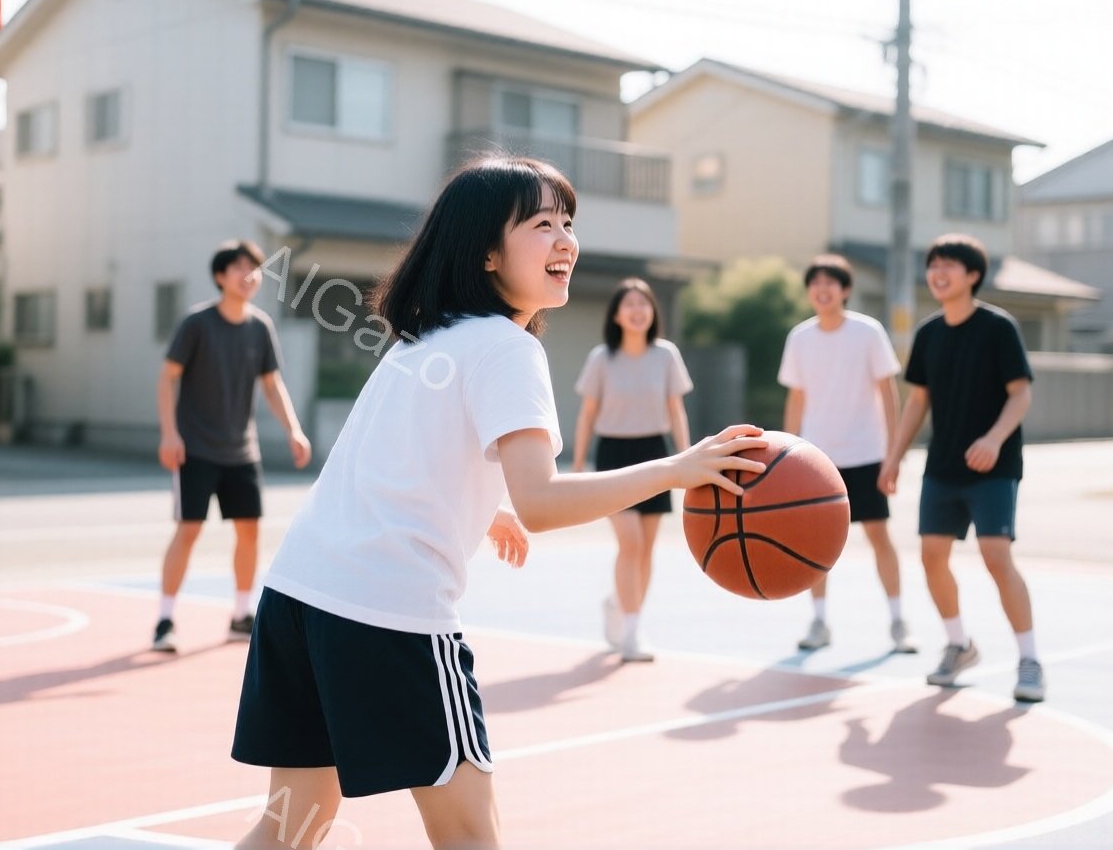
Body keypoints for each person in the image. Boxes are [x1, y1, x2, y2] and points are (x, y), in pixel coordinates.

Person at [231, 156, 767, 849]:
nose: (566, 240)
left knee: (289, 827)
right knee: (469, 839)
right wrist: (677, 467)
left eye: (568, 223)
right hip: (388, 612)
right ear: (487, 251)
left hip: (298, 597)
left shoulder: (421, 341)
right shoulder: (507, 350)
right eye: (543, 225)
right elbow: (542, 501)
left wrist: (489, 509)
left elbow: (399, 463)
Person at [878, 234, 1044, 703]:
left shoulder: (998, 328)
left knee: (996, 556)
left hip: (994, 465)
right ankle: (958, 645)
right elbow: (917, 402)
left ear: (973, 275)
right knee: (931, 557)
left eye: (948, 265)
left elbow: (1020, 394)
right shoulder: (929, 333)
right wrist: (893, 457)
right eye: (933, 266)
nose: (938, 273)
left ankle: (1029, 659)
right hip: (943, 465)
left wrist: (993, 439)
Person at [153, 239, 312, 654]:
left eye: (255, 269)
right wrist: (170, 433)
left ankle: (242, 615)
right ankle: (165, 620)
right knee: (189, 529)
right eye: (240, 268)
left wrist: (293, 429)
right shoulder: (196, 324)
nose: (249, 276)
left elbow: (272, 385)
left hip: (242, 450)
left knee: (250, 530)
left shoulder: (260, 327)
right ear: (221, 276)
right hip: (195, 448)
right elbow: (167, 378)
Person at [777, 254, 914, 655]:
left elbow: (888, 394)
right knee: (814, 545)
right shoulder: (799, 338)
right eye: (815, 283)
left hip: (867, 453)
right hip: (816, 459)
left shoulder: (868, 332)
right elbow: (796, 398)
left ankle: (898, 621)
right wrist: (785, 453)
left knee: (878, 535)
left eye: (830, 283)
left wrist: (893, 453)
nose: (822, 289)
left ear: (845, 289)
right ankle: (819, 622)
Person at [573, 278, 694, 663]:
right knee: (632, 543)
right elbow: (587, 414)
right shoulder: (600, 358)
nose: (638, 310)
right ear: (617, 314)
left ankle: (622, 608)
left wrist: (687, 460)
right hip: (613, 453)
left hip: (655, 453)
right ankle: (632, 633)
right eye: (629, 304)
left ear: (653, 311)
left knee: (647, 549)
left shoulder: (666, 355)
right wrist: (578, 465)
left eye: (644, 303)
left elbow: (676, 410)